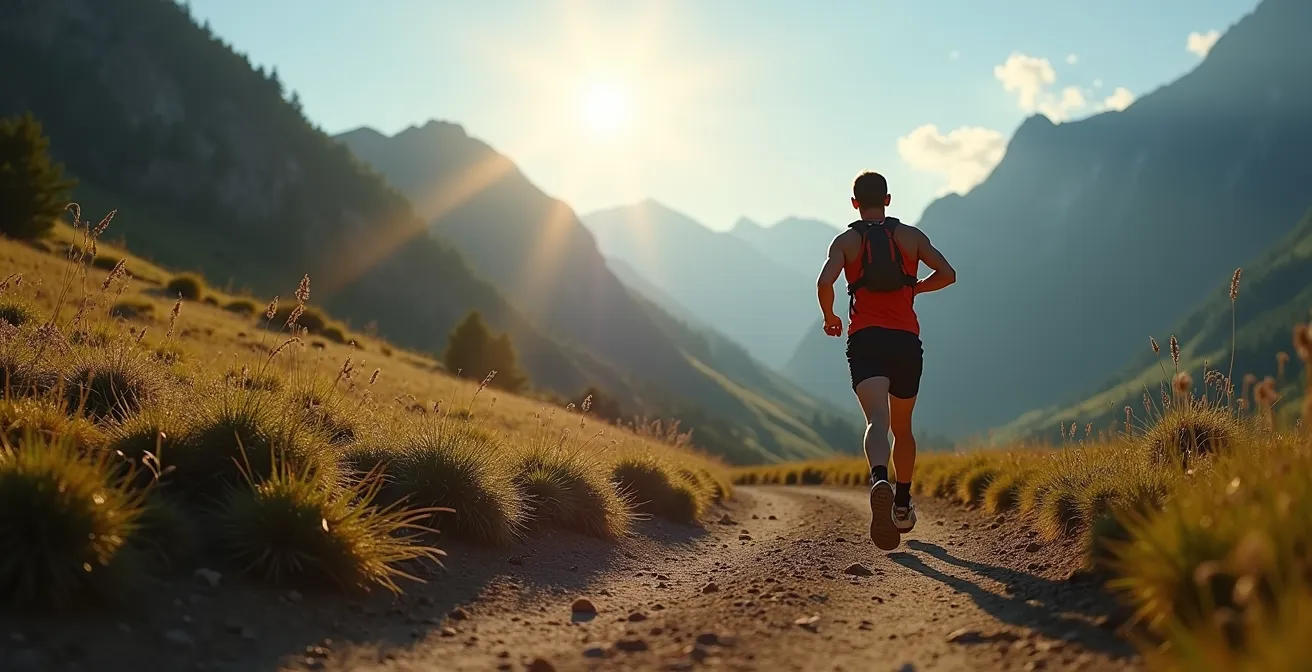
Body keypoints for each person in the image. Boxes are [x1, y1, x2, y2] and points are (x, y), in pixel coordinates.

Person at [815, 171, 956, 550]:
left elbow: (824, 282)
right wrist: (916, 289)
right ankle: (902, 504)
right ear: (889, 199)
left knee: (877, 420)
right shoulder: (910, 237)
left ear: (854, 203)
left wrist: (830, 317)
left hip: (865, 340)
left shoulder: (845, 241)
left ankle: (880, 477)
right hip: (905, 341)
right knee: (903, 427)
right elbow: (948, 274)